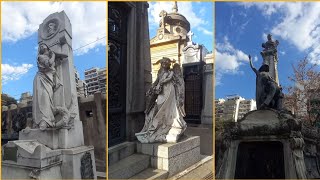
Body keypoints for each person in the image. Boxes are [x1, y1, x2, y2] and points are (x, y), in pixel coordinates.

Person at [136, 57, 187, 143]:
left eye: (165, 63)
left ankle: (168, 123)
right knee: (159, 105)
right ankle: (160, 124)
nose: (164, 64)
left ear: (168, 65)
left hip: (169, 89)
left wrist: (161, 83)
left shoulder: (171, 72)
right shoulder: (160, 72)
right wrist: (152, 87)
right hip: (162, 91)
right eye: (163, 63)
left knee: (166, 106)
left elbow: (169, 79)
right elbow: (157, 80)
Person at [32, 43, 56, 130]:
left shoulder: (47, 56)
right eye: (40, 46)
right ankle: (43, 121)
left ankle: (48, 120)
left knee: (48, 100)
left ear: (47, 46)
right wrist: (53, 55)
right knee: (42, 99)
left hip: (48, 79)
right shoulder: (41, 57)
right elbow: (48, 64)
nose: (41, 46)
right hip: (41, 78)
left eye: (43, 45)